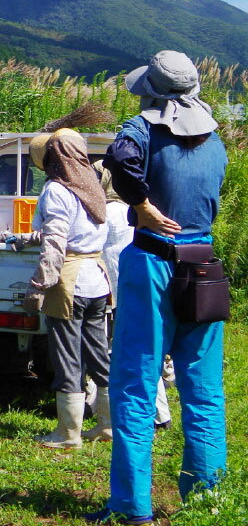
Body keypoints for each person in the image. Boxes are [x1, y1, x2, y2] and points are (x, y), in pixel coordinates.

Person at [86, 51, 227, 526]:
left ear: (151, 91)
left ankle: (131, 507)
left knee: (136, 383)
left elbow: (120, 160)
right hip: (203, 264)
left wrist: (142, 205)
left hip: (153, 261)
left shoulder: (142, 131)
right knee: (204, 388)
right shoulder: (215, 140)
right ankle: (207, 501)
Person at [24, 128, 111, 449]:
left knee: (67, 357)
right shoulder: (92, 185)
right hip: (97, 279)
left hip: (70, 281)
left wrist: (38, 286)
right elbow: (75, 231)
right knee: (99, 355)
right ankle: (108, 425)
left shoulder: (57, 190)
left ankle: (68, 433)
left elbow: (56, 243)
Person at [94, 160, 172, 436]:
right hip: (142, 283)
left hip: (115, 289)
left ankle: (146, 413)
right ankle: (159, 413)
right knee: (145, 347)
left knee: (122, 350)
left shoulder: (106, 212)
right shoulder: (137, 210)